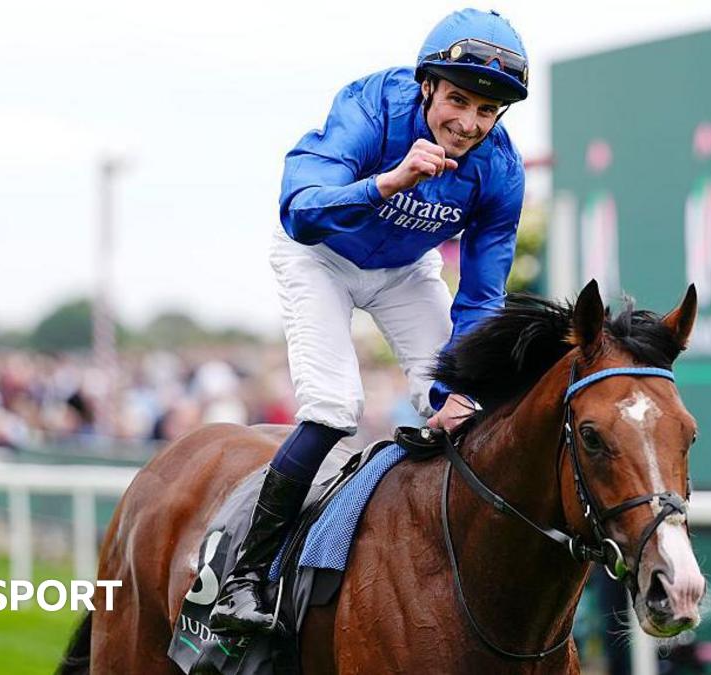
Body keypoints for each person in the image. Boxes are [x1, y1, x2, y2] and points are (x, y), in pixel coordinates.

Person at [208, 8, 530, 636]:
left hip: (405, 273)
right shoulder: (370, 106)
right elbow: (301, 210)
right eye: (457, 100)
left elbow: (483, 295)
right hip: (320, 255)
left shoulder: (500, 170)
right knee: (335, 407)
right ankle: (242, 578)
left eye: (487, 112)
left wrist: (459, 386)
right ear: (427, 86)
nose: (468, 124)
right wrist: (385, 183)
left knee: (466, 406)